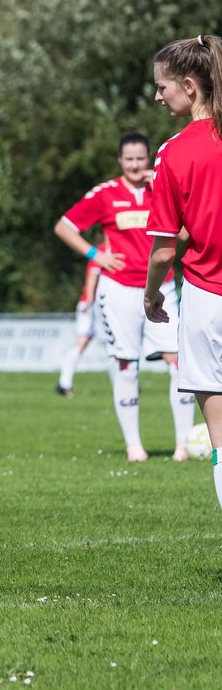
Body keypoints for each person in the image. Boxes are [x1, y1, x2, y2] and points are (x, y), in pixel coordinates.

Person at [54, 132, 195, 462]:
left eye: (140, 158)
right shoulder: (105, 194)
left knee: (179, 363)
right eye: (128, 159)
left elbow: (187, 233)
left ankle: (183, 447)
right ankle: (134, 447)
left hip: (162, 288)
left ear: (149, 158)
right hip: (118, 289)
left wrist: (162, 186)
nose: (135, 165)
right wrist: (95, 255)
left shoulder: (162, 187)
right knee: (125, 365)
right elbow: (64, 227)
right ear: (120, 160)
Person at [146, 34, 222, 504]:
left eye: (162, 87)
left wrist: (151, 295)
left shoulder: (175, 152)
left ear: (189, 86)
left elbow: (163, 250)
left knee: (220, 438)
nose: (157, 96)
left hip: (207, 300)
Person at [56, 231, 107, 398]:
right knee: (84, 342)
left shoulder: (104, 251)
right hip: (92, 306)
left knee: (111, 344)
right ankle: (64, 383)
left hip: (96, 305)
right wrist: (90, 300)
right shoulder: (103, 252)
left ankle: (126, 384)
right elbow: (93, 275)